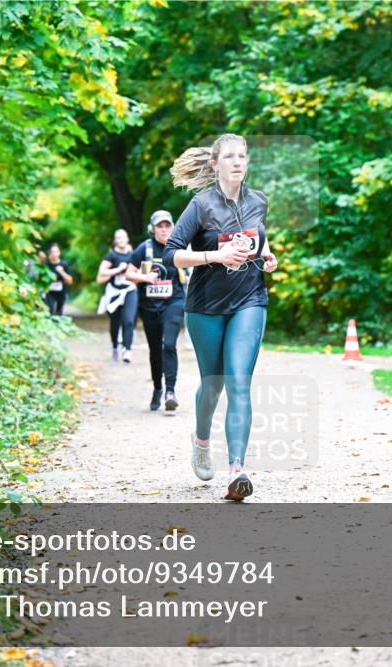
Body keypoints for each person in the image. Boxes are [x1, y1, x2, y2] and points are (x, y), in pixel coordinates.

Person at [163, 133, 279, 501]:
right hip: (206, 306)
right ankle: (201, 441)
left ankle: (237, 471)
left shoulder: (258, 201)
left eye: (242, 155)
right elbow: (172, 254)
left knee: (238, 381)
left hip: (250, 299)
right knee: (213, 383)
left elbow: (258, 240)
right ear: (215, 164)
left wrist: (267, 256)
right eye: (229, 156)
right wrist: (214, 256)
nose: (237, 162)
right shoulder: (201, 205)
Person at [126, 211, 187, 412]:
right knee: (155, 350)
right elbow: (128, 273)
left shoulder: (178, 247)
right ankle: (157, 388)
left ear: (173, 227)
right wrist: (145, 278)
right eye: (159, 226)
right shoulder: (145, 248)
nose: (164, 229)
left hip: (174, 302)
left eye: (167, 225)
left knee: (168, 344)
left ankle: (171, 391)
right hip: (150, 305)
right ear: (153, 229)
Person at [96, 229, 137, 363]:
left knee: (129, 320)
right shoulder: (111, 256)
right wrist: (118, 270)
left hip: (130, 290)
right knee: (115, 322)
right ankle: (115, 346)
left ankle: (128, 350)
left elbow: (140, 270)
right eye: (118, 237)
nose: (121, 239)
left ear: (127, 238)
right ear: (115, 240)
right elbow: (101, 275)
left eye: (123, 237)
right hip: (114, 292)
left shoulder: (133, 254)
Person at [41, 243, 73, 317]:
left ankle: (58, 325)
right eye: (52, 252)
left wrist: (62, 272)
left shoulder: (64, 264)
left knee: (59, 313)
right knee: (50, 309)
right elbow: (40, 278)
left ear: (59, 253)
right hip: (49, 292)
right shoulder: (46, 264)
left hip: (61, 292)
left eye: (56, 251)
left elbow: (70, 281)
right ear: (50, 253)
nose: (54, 254)